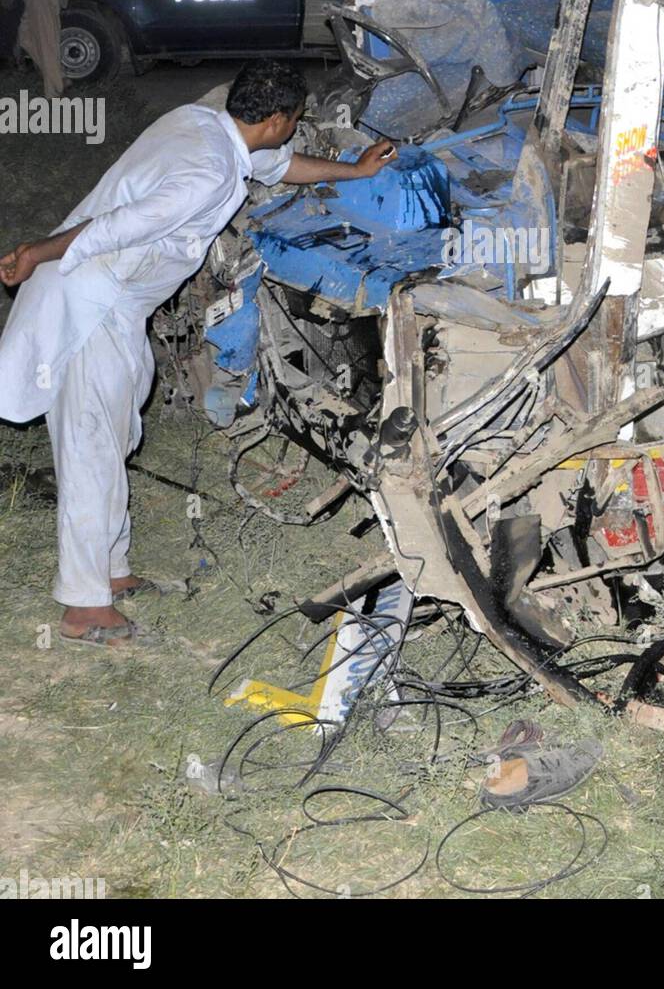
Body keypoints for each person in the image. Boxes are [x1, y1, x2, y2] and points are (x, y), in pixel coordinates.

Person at [0, 59, 396, 648]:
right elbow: (115, 227)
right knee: (90, 447)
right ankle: (83, 607)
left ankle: (112, 569)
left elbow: (280, 164)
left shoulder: (207, 125)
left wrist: (356, 170)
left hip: (117, 305)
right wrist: (36, 251)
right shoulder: (210, 171)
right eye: (294, 120)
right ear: (281, 118)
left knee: (116, 435)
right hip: (90, 302)